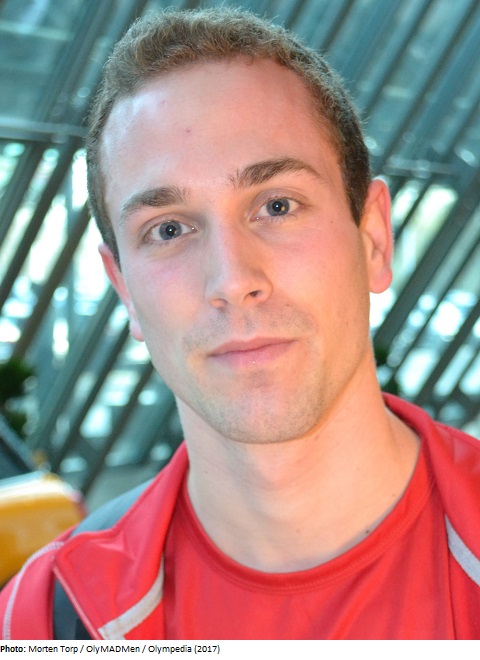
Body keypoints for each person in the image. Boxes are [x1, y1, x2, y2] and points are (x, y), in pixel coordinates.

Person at [1, 7, 480, 641]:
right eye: (168, 229)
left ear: (373, 239)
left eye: (277, 205)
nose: (231, 279)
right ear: (125, 290)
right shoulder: (45, 623)